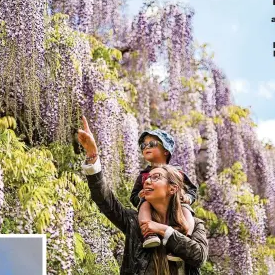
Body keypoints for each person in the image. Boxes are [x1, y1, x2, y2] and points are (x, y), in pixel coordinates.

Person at [78, 116, 208, 275]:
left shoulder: (195, 224)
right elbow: (104, 199)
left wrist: (163, 230)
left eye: (156, 177)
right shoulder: (135, 222)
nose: (147, 181)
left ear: (172, 188)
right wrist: (93, 157)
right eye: (147, 178)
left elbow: (198, 256)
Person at [131, 130, 198, 261]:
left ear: (166, 151)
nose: (146, 147)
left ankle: (185, 237)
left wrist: (188, 198)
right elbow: (133, 196)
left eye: (152, 144)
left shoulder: (177, 172)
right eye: (143, 146)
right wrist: (140, 196)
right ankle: (149, 234)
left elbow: (192, 190)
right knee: (144, 205)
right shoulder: (143, 175)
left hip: (175, 205)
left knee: (186, 209)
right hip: (152, 210)